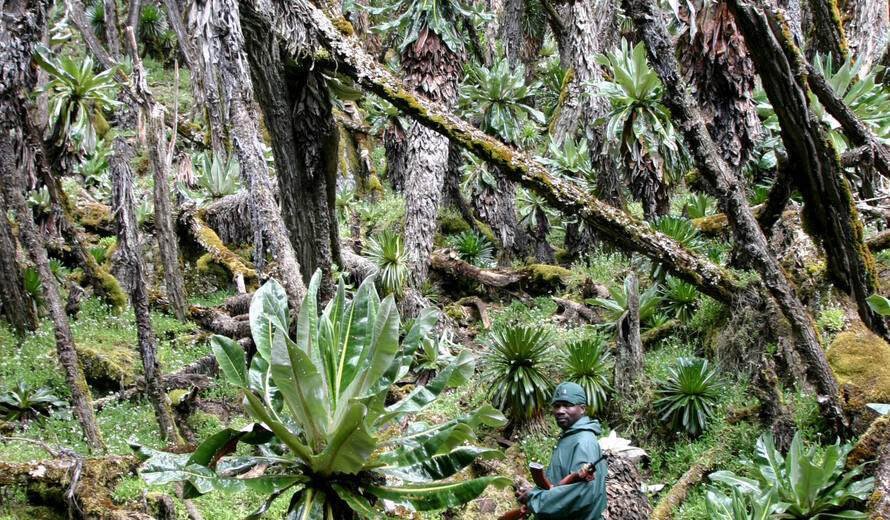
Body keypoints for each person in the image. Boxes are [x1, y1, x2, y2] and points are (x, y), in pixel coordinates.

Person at [516, 381, 608, 520]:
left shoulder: (583, 442)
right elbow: (557, 481)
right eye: (556, 406)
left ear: (582, 408)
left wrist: (535, 499)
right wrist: (533, 495)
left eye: (567, 405)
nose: (560, 411)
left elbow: (582, 493)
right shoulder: (570, 436)